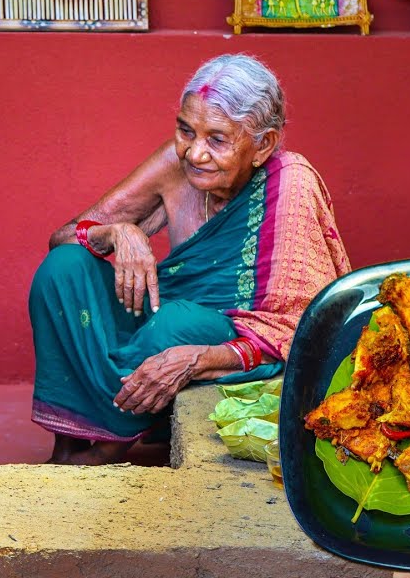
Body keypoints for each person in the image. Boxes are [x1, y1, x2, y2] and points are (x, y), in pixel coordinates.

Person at [29, 54, 350, 465]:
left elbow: (297, 330)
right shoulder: (176, 163)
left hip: (225, 344)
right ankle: (70, 443)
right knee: (64, 268)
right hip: (157, 328)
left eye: (217, 140)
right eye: (186, 131)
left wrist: (199, 359)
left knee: (177, 323)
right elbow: (63, 237)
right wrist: (117, 232)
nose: (195, 153)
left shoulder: (291, 183)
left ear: (263, 145)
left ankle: (107, 450)